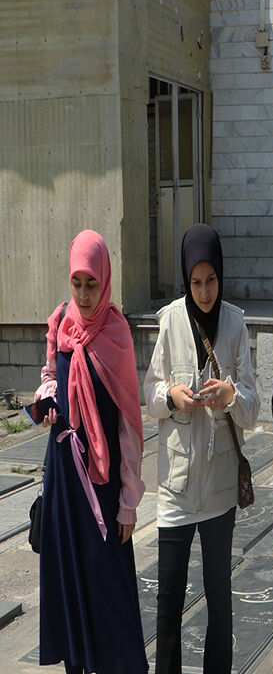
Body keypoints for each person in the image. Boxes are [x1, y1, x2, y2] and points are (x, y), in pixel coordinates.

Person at [144, 224, 261, 674]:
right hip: (175, 487)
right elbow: (150, 393)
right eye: (196, 282)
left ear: (221, 276)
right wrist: (172, 397)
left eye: (211, 280)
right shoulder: (171, 319)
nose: (205, 291)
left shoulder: (234, 322)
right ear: (186, 279)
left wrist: (230, 395)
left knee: (219, 596)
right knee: (168, 598)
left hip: (218, 486)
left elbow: (252, 405)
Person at [34, 229, 147, 673]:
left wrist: (128, 503)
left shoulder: (117, 335)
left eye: (91, 284)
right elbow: (50, 374)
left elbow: (129, 426)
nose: (83, 295)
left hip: (102, 485)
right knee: (71, 585)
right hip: (64, 481)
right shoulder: (60, 321)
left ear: (105, 280)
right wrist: (47, 399)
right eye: (76, 283)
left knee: (109, 594)